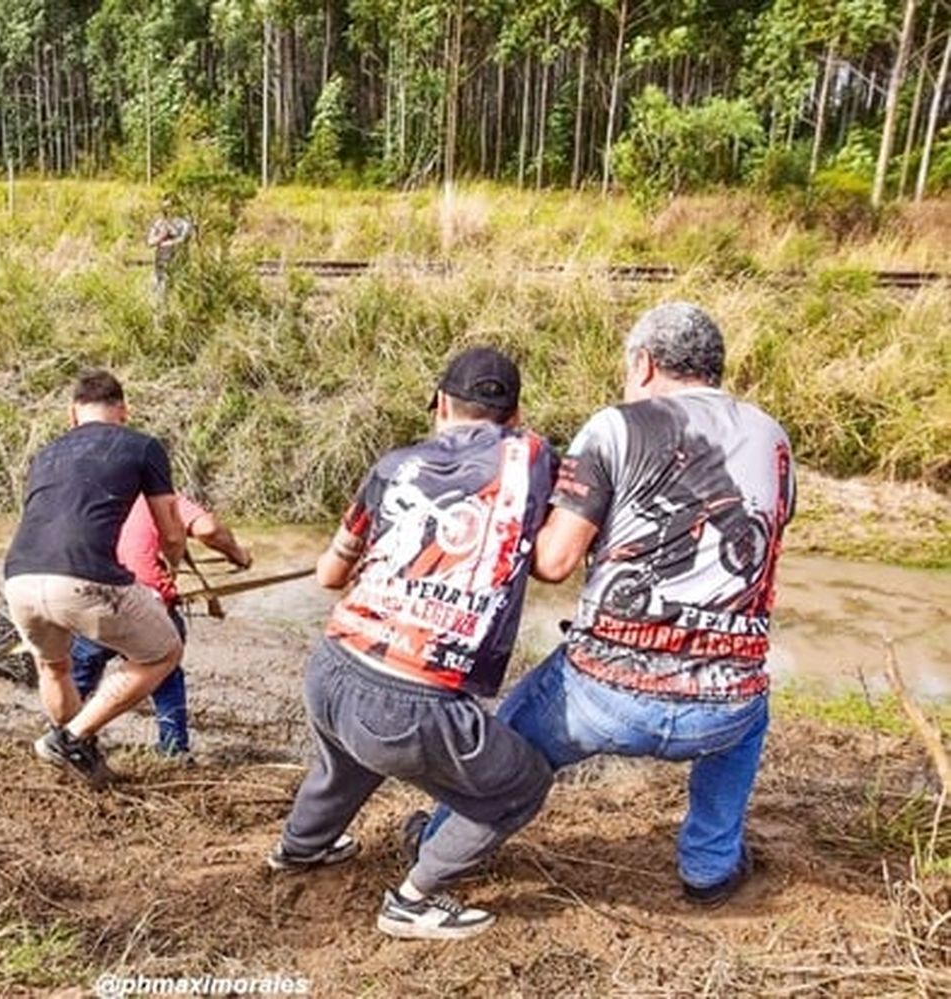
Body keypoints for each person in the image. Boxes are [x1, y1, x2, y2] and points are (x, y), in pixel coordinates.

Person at [460, 302, 795, 908]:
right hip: (723, 705)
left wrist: (516, 522)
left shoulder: (616, 425)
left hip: (606, 697)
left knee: (512, 734)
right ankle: (710, 867)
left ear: (643, 364)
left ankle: (446, 845)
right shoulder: (773, 437)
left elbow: (555, 564)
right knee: (749, 705)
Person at [267, 346, 557, 942]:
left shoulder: (392, 466)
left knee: (342, 761)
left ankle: (300, 848)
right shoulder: (531, 456)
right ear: (516, 411)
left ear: (440, 405)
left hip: (333, 665)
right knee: (520, 784)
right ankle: (415, 898)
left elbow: (328, 575)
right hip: (410, 702)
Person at [3, 368, 188, 788]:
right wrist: (171, 564)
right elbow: (172, 530)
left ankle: (78, 756)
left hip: (19, 577)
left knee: (54, 667)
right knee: (163, 653)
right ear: (123, 411)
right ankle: (69, 738)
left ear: (73, 414)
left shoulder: (45, 454)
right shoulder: (143, 447)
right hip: (84, 577)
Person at [69, 492, 252, 760]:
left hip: (93, 594)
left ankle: (64, 736)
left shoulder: (99, 493)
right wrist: (238, 555)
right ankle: (173, 749)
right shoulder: (161, 497)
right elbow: (209, 529)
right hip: (141, 601)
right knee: (165, 671)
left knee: (81, 672)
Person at [145, 195, 192, 296]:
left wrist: (167, 241)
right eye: (165, 206)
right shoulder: (159, 223)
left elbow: (183, 240)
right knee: (160, 291)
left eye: (170, 206)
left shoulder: (184, 223)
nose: (167, 209)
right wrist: (162, 236)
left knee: (179, 290)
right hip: (161, 262)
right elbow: (150, 242)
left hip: (179, 261)